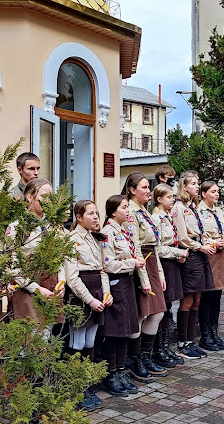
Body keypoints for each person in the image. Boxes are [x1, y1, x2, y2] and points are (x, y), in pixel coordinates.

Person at [66, 200, 112, 410]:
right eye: (90, 214)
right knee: (77, 341)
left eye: (96, 213)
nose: (95, 217)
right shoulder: (71, 239)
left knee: (90, 341)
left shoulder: (95, 238)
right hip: (82, 294)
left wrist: (106, 293)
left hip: (97, 291)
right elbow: (72, 278)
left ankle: (86, 385)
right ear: (78, 217)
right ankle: (75, 389)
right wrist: (90, 300)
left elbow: (102, 270)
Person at [124, 173, 168, 380]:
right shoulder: (130, 213)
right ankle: (135, 360)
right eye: (143, 187)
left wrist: (160, 274)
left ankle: (145, 355)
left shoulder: (145, 212)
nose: (148, 191)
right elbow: (135, 247)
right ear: (132, 190)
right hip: (140, 264)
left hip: (151, 262)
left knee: (157, 312)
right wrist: (144, 280)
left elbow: (155, 246)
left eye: (148, 187)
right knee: (141, 314)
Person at [100, 195, 146, 396]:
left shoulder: (123, 231)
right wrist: (131, 263)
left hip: (127, 282)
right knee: (115, 331)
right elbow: (108, 265)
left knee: (126, 330)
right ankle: (110, 375)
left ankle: (120, 371)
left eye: (128, 207)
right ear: (113, 212)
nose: (128, 211)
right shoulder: (107, 233)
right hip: (116, 283)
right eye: (124, 207)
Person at [6, 179, 66, 324]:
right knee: (32, 334)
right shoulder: (18, 226)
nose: (49, 201)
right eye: (44, 196)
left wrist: (61, 281)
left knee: (48, 334)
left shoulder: (53, 226)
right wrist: (36, 289)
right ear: (30, 197)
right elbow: (11, 264)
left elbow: (61, 256)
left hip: (51, 288)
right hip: (27, 288)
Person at [171, 171, 216, 359]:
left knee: (197, 299)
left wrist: (208, 243)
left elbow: (200, 231)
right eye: (194, 184)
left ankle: (191, 340)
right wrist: (200, 246)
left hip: (200, 254)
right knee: (188, 300)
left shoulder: (192, 207)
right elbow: (182, 236)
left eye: (198, 183)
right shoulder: (178, 207)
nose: (197, 186)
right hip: (190, 255)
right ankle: (182, 343)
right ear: (184, 186)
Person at [151, 183, 187, 367]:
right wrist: (178, 253)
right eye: (169, 197)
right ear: (159, 199)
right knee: (163, 306)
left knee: (169, 305)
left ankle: (165, 347)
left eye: (173, 196)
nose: (173, 199)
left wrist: (177, 254)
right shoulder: (156, 218)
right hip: (163, 265)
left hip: (172, 263)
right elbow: (158, 248)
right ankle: (158, 349)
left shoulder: (167, 216)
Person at [197, 181, 224, 351]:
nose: (217, 194)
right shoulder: (198, 211)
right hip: (208, 254)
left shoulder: (219, 211)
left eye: (218, 191)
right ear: (204, 194)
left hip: (221, 255)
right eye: (213, 191)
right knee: (207, 295)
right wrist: (213, 243)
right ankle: (205, 334)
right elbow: (199, 235)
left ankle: (214, 331)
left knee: (217, 294)